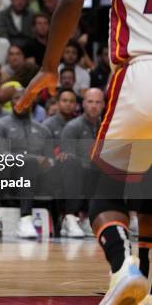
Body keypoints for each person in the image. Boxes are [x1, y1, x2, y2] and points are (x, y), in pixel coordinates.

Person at [16, 0, 152, 302]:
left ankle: (122, 265)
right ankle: (144, 280)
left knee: (103, 188)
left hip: (141, 71)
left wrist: (49, 66)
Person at [0, 89, 54, 239]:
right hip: (5, 177)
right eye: (17, 98)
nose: (21, 101)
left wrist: (48, 162)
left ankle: (71, 217)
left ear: (33, 102)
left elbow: (51, 159)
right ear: (11, 102)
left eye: (26, 98)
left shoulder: (43, 129)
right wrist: (31, 159)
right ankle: (25, 219)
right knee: (29, 162)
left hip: (38, 179)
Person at [58, 88, 104, 238]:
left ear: (103, 105)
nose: (94, 106)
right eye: (90, 102)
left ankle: (89, 219)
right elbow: (66, 156)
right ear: (83, 104)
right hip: (74, 173)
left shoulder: (105, 127)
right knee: (74, 163)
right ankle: (69, 218)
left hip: (96, 173)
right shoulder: (73, 127)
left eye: (98, 102)